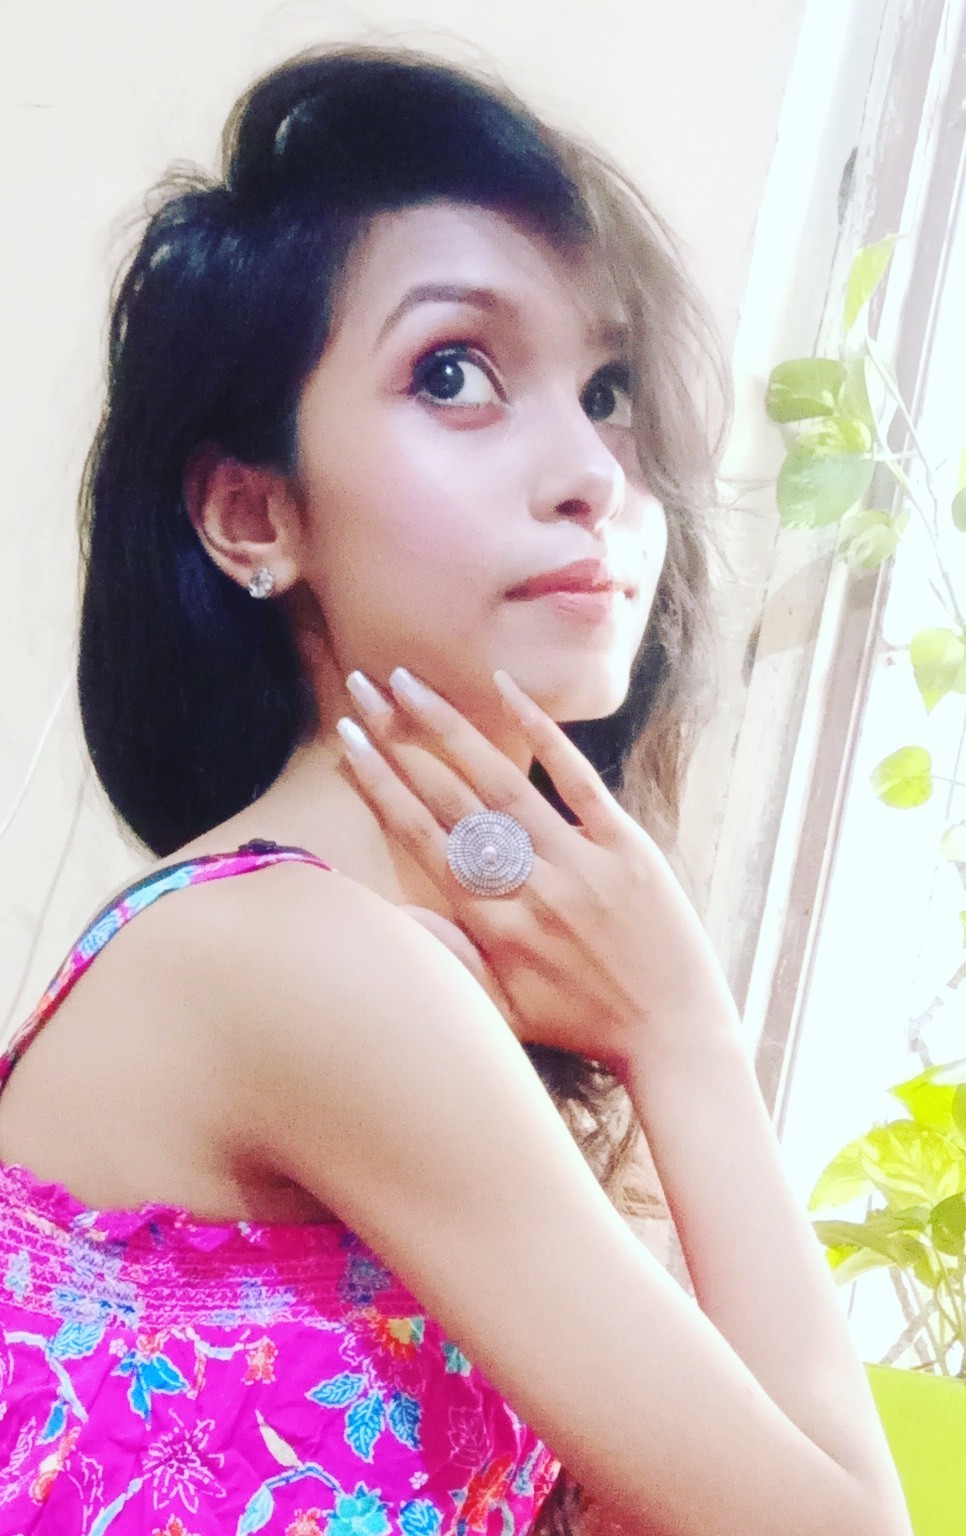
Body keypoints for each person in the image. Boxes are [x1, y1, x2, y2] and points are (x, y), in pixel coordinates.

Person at [0, 47, 911, 1536]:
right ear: (254, 514)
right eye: (454, 374)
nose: (592, 472)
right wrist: (685, 1030)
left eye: (608, 393)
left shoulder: (394, 958)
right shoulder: (294, 960)